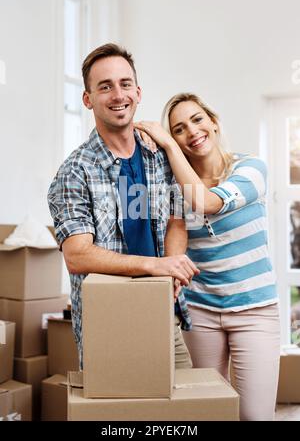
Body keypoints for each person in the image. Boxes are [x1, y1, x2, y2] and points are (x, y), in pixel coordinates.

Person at [47, 45, 199, 371]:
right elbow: (77, 256)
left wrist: (171, 272)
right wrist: (156, 267)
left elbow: (179, 219)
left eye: (125, 83)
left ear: (138, 91)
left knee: (184, 412)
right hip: (109, 321)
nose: (118, 95)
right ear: (87, 99)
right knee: (119, 418)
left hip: (164, 311)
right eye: (105, 86)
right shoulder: (74, 172)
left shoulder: (161, 157)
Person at [135, 92, 280, 421]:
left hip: (254, 310)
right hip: (201, 310)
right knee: (208, 412)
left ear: (213, 123)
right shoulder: (175, 190)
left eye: (197, 120)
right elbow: (175, 232)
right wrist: (169, 277)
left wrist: (169, 147)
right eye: (178, 129)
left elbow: (209, 203)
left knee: (254, 416)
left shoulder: (251, 168)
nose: (192, 131)